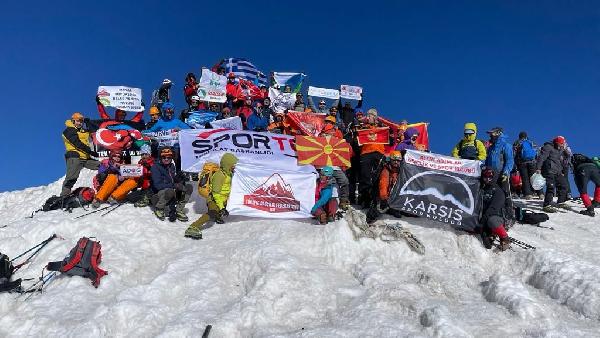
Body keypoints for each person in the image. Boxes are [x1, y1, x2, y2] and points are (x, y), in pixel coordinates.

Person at [184, 153, 238, 239]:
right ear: (228, 164)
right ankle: (193, 227)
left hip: (223, 198)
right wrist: (221, 207)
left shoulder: (229, 173)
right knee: (213, 211)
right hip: (213, 198)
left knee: (218, 210)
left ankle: (217, 216)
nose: (234, 167)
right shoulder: (219, 175)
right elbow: (216, 194)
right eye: (233, 165)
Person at [61, 112, 100, 196]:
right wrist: (90, 151)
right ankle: (64, 196)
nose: (80, 123)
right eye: (78, 121)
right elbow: (76, 143)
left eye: (81, 121)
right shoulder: (68, 130)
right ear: (73, 121)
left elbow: (95, 130)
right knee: (71, 178)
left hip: (86, 158)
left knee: (102, 166)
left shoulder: (83, 131)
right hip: (74, 157)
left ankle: (102, 187)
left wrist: (89, 124)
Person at [150, 147, 193, 221]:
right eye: (164, 157)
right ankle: (159, 208)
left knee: (189, 187)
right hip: (159, 194)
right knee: (170, 191)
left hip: (171, 191)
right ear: (160, 157)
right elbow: (158, 185)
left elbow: (172, 180)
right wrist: (174, 185)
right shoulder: (155, 167)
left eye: (169, 157)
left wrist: (180, 178)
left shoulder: (171, 166)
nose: (166, 159)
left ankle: (179, 210)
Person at [484, 127, 515, 221]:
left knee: (505, 193)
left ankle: (509, 215)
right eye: (490, 134)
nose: (490, 136)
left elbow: (510, 160)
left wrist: (506, 172)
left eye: (492, 134)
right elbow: (487, 161)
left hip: (501, 173)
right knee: (491, 193)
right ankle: (494, 213)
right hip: (491, 175)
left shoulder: (506, 145)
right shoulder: (491, 147)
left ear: (498, 133)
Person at [358, 108, 387, 208]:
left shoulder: (382, 127)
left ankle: (375, 200)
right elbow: (358, 137)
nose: (370, 117)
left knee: (378, 177)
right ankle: (365, 198)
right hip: (366, 152)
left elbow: (391, 133)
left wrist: (381, 124)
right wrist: (362, 124)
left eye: (373, 115)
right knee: (365, 176)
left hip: (379, 152)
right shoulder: (363, 126)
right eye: (369, 115)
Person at [478, 168, 511, 251]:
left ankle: (504, 238)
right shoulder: (482, 189)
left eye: (490, 177)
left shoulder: (498, 191)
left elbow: (493, 209)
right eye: (485, 177)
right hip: (485, 218)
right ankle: (492, 233)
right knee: (487, 244)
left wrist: (482, 222)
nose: (487, 179)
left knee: (492, 220)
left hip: (498, 218)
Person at [536, 136, 569, 213]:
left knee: (564, 185)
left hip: (557, 171)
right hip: (549, 170)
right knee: (551, 187)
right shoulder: (548, 147)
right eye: (561, 144)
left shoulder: (560, 149)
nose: (562, 145)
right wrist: (538, 168)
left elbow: (560, 160)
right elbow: (541, 157)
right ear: (557, 142)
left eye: (562, 144)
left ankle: (560, 201)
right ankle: (546, 205)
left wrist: (562, 171)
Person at [375, 151, 403, 219]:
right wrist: (384, 199)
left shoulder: (401, 171)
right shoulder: (386, 170)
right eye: (394, 160)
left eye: (398, 161)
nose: (396, 162)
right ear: (390, 160)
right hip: (387, 198)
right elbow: (383, 185)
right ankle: (390, 208)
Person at [512, 131, 537, 199]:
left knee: (525, 178)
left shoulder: (517, 142)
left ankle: (528, 194)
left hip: (522, 163)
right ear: (526, 136)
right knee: (533, 177)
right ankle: (539, 193)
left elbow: (514, 153)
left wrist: (515, 163)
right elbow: (536, 151)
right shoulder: (531, 142)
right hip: (532, 162)